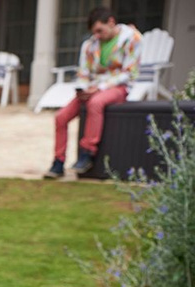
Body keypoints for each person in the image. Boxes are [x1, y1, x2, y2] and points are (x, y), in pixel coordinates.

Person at [44, 6, 141, 178]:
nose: (97, 35)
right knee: (61, 117)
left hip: (118, 88)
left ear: (111, 22)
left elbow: (129, 73)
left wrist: (101, 88)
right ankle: (58, 162)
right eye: (94, 32)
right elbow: (83, 72)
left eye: (100, 30)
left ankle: (87, 153)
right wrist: (83, 88)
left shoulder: (132, 39)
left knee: (96, 103)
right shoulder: (90, 45)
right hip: (92, 88)